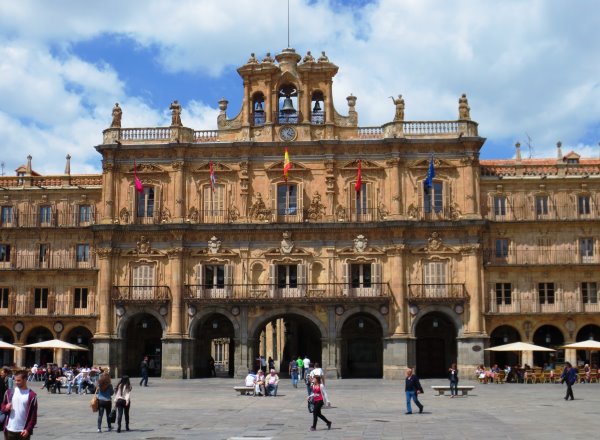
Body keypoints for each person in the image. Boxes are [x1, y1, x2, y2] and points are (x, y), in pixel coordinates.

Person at [1, 370, 38, 439]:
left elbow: (33, 416)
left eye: (19, 380)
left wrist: (28, 429)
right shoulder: (9, 392)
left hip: (23, 431)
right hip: (9, 429)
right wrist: (5, 407)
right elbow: (2, 407)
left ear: (25, 379)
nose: (16, 382)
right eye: (15, 380)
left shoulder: (31, 395)